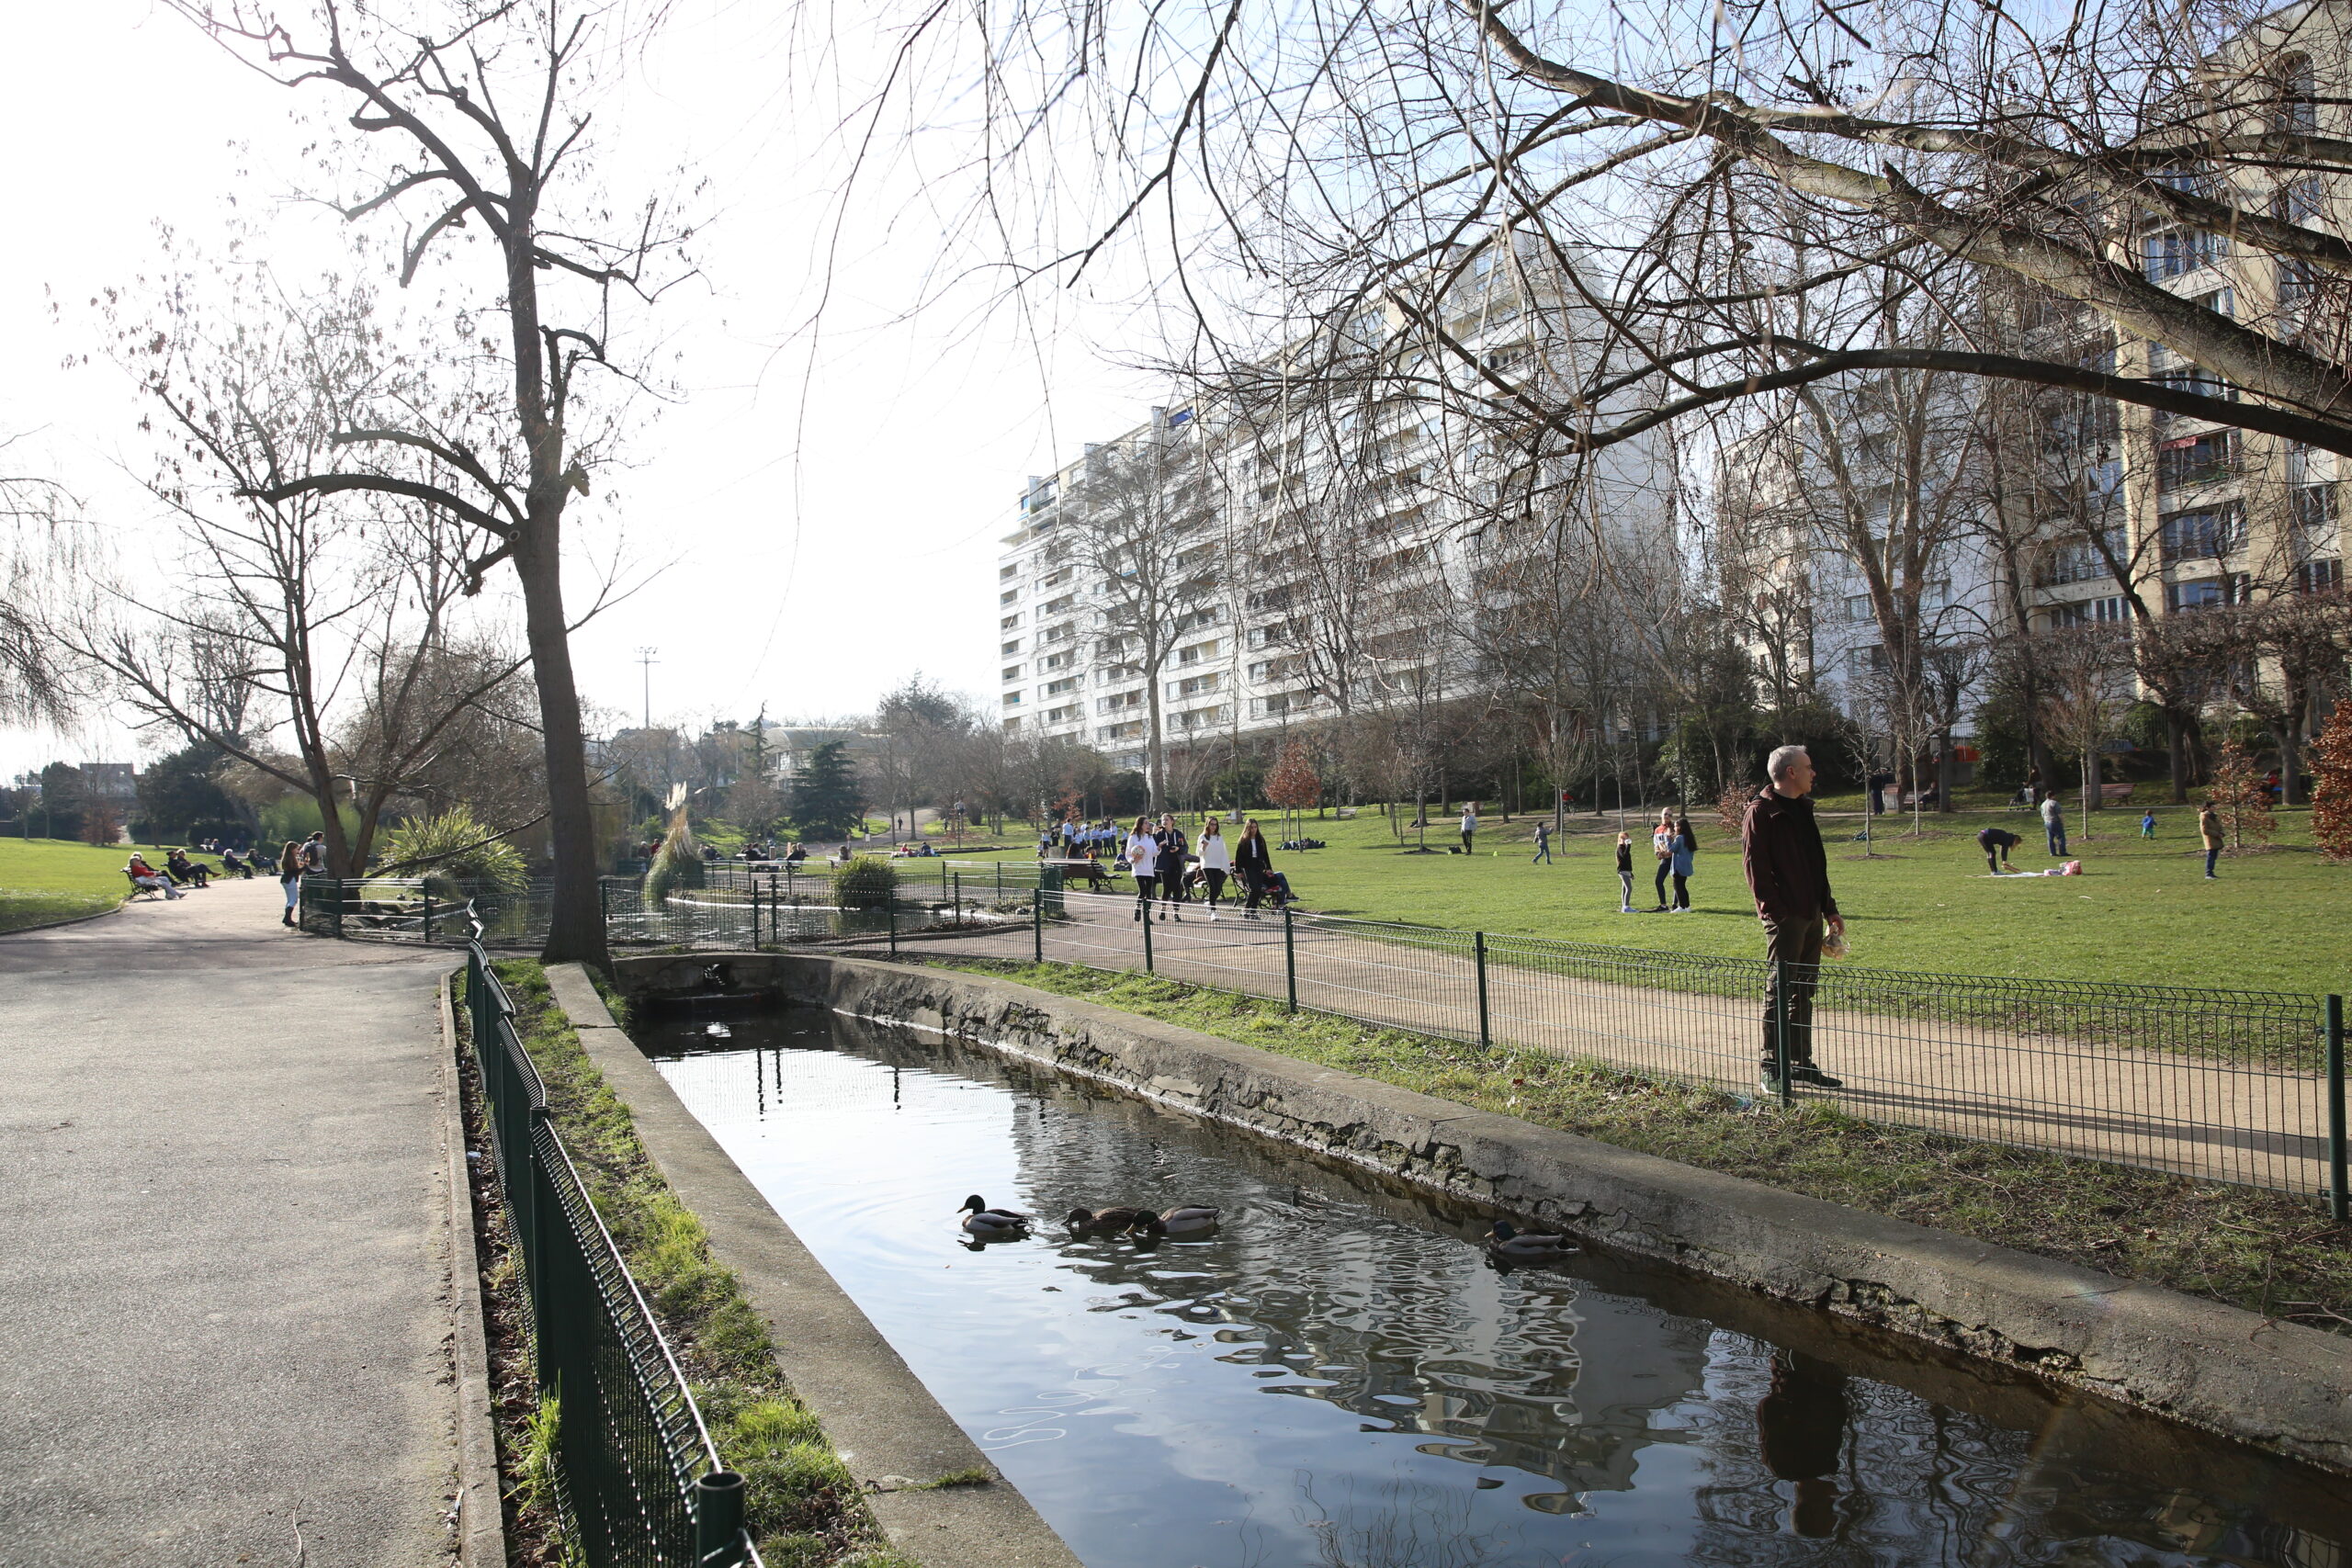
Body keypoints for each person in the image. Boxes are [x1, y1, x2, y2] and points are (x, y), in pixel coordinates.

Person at [1743, 745, 1845, 1091]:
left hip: (1812, 914)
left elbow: (1817, 865)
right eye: (1808, 767)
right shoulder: (1761, 812)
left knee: (1803, 991)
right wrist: (1775, 913)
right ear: (1790, 772)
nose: (1813, 773)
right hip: (1786, 918)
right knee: (1780, 988)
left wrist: (1829, 908)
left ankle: (1801, 1063)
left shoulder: (1803, 809)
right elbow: (1754, 868)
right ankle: (1771, 1065)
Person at [1153, 813, 1191, 920]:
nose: (1164, 822)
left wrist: (1178, 849)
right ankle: (1163, 909)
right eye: (1162, 820)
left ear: (1172, 821)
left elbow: (1185, 847)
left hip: (1176, 864)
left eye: (1166, 819)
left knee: (1177, 889)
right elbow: (1154, 847)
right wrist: (1154, 836)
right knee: (1167, 888)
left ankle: (1176, 913)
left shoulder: (1178, 834)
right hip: (1164, 865)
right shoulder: (1159, 834)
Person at [1234, 818, 1273, 918]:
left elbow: (1265, 854)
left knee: (1259, 889)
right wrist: (1238, 870)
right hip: (1248, 866)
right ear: (1248, 828)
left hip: (1258, 866)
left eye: (1255, 827)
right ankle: (1246, 909)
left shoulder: (1260, 839)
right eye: (1251, 827)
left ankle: (1253, 911)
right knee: (1253, 888)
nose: (1254, 829)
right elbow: (1238, 857)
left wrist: (1268, 867)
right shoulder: (1244, 840)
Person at [1125, 815, 1160, 921]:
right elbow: (1128, 853)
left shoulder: (1150, 838)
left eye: (1148, 823)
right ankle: (1138, 908)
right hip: (1139, 868)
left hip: (1149, 869)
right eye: (1146, 823)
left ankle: (1147, 916)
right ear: (1140, 825)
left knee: (1149, 893)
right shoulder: (1133, 837)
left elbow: (1154, 852)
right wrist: (1133, 860)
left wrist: (1159, 848)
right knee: (1143, 891)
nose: (1148, 825)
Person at [1196, 816, 1232, 919]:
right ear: (1208, 825)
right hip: (1207, 865)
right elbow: (1199, 853)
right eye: (1211, 824)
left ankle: (1209, 903)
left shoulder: (1219, 837)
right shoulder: (1202, 837)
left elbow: (1223, 852)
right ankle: (1213, 912)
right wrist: (1204, 847)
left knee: (1218, 888)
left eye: (1215, 824)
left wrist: (1226, 866)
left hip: (1217, 865)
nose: (1214, 826)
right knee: (1212, 886)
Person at [1649, 807, 1676, 912]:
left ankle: (1676, 904)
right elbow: (1656, 844)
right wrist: (1658, 853)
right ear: (1661, 815)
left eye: (1670, 815)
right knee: (1658, 881)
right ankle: (1663, 905)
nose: (1667, 817)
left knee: (1677, 881)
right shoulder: (1657, 829)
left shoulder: (1675, 827)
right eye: (1666, 814)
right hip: (1665, 859)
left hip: (1675, 858)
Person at [1669, 813, 1696, 911]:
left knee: (1677, 886)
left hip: (1678, 867)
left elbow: (1671, 849)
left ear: (1680, 827)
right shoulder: (1689, 838)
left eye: (1676, 826)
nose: (1674, 828)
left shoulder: (1679, 838)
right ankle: (1687, 906)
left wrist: (1668, 839)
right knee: (1683, 886)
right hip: (1686, 866)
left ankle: (1681, 906)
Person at [278, 840, 304, 927]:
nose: (297, 851)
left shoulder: (286, 858)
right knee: (294, 899)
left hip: (286, 879)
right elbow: (294, 871)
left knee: (290, 900)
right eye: (296, 849)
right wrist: (304, 867)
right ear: (292, 849)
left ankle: (287, 918)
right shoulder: (290, 859)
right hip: (290, 879)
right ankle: (287, 918)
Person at [2200, 802, 2224, 880]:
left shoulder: (2213, 816)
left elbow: (2218, 826)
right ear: (2208, 807)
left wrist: (2222, 832)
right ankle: (2208, 874)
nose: (2215, 808)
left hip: (2216, 839)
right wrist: (2216, 834)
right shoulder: (2204, 816)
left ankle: (2211, 873)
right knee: (2210, 857)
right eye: (2213, 807)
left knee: (2214, 857)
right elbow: (2205, 830)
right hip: (2210, 839)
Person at [2040, 792, 2066, 857]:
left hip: (2047, 822)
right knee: (2061, 837)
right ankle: (2062, 852)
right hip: (2054, 822)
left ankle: (2052, 853)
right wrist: (2063, 821)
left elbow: (2042, 815)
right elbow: (2059, 813)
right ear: (2052, 796)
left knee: (2050, 838)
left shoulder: (2043, 804)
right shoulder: (2054, 803)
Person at [1614, 831, 1635, 913]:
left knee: (1624, 889)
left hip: (1626, 871)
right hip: (1622, 871)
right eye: (1623, 838)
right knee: (1629, 888)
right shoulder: (1620, 847)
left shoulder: (1625, 847)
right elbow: (1624, 856)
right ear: (1619, 840)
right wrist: (1628, 846)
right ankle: (1626, 907)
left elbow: (1627, 861)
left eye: (1626, 838)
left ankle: (1624, 906)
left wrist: (1631, 873)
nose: (1625, 840)